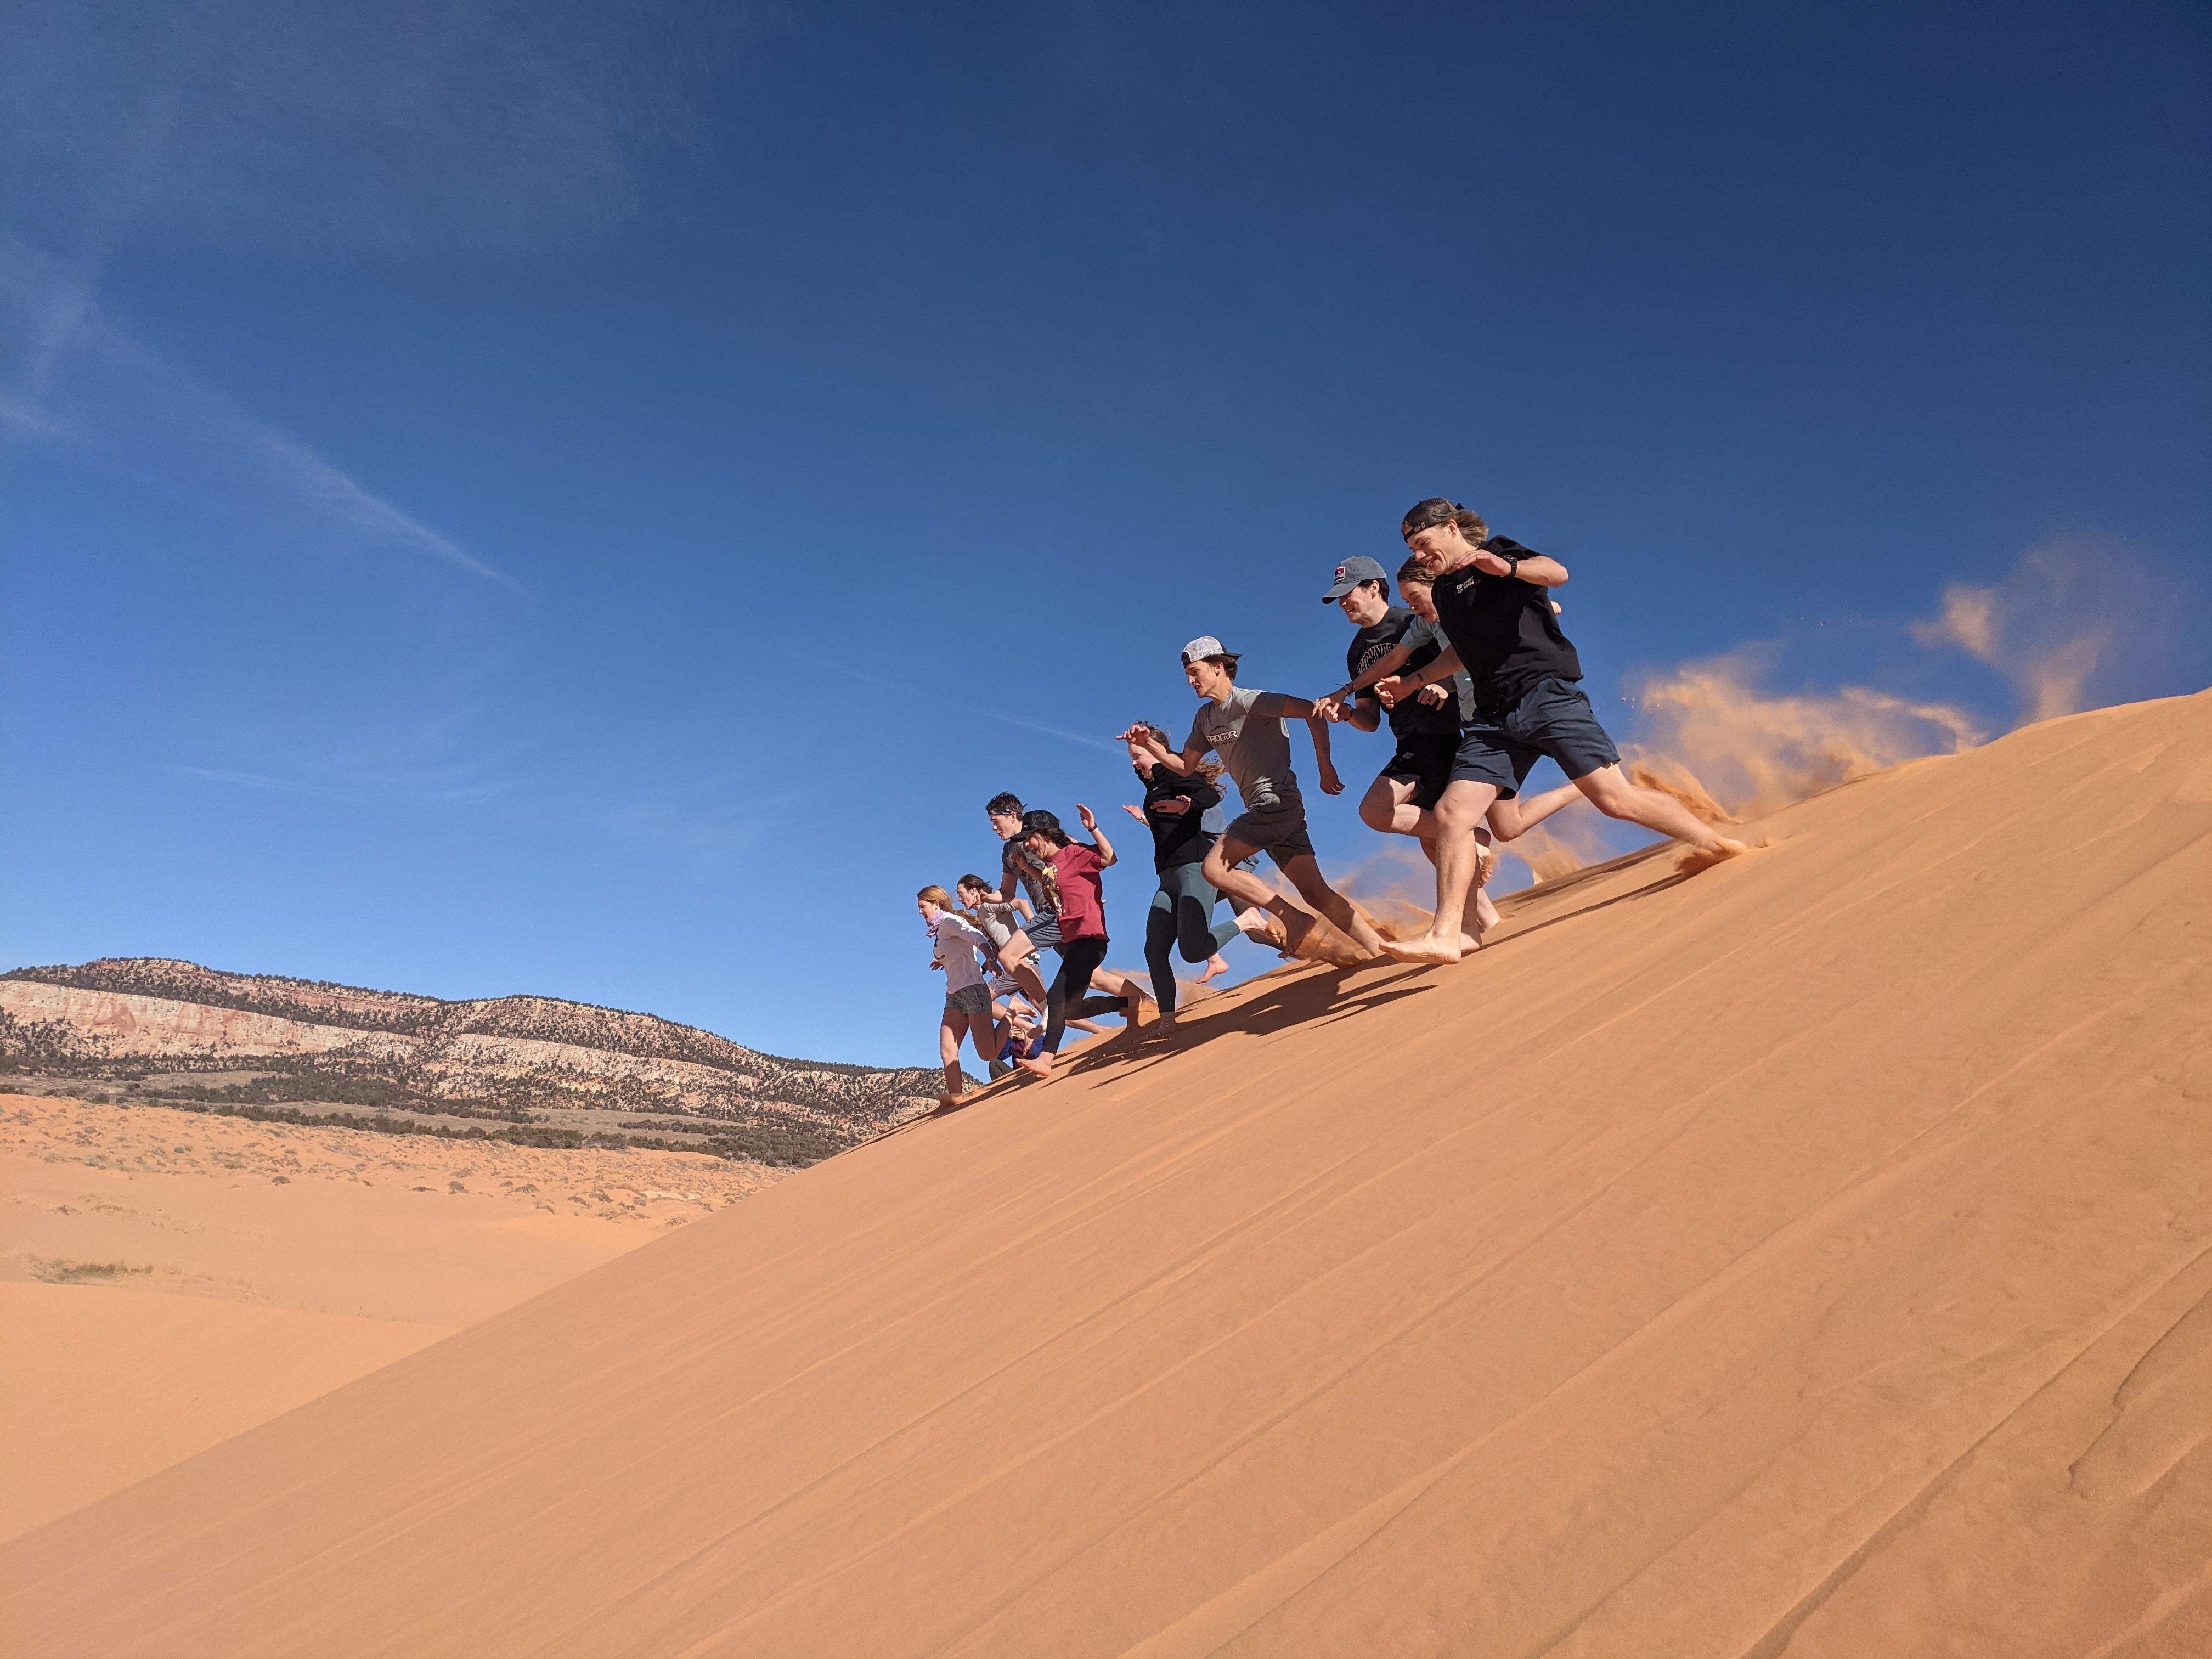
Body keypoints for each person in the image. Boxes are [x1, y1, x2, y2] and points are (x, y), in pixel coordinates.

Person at [1373, 499, 1746, 964]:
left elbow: (1556, 573)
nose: (1422, 555)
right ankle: (1451, 933)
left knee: (1615, 801)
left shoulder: (1499, 552)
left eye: (1424, 544)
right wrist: (1413, 681)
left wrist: (1507, 567)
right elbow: (1464, 651)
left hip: (1544, 694)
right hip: (1493, 716)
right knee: (1452, 815)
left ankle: (1718, 844)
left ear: (1451, 528)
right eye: (1413, 548)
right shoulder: (1445, 592)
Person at [1313, 556, 1583, 940]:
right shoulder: (1357, 651)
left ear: (1374, 587)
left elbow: (1468, 655)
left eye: (1348, 594)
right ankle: (1486, 922)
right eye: (1337, 599)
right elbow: (1369, 717)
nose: (1343, 604)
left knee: (1380, 812)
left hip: (1442, 734)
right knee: (1441, 842)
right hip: (1406, 738)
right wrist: (1346, 714)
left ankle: (1472, 841)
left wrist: (1444, 686)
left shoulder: (1415, 618)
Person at [1123, 637, 1386, 964]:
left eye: (1195, 672)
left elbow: (1312, 712)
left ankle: (1294, 917)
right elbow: (1185, 765)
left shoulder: (1251, 701)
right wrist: (1151, 746)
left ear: (1218, 667)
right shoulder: (1205, 718)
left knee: (1215, 869)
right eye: (1187, 675)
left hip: (1275, 800)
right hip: (1268, 810)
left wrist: (1324, 765)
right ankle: (1382, 951)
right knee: (1316, 892)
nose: (1190, 681)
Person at [1119, 724, 1271, 1034]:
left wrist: (1186, 804)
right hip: (1167, 878)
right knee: (1155, 950)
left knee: (1191, 950)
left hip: (1193, 868)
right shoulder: (1154, 785)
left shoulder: (1174, 775)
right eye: (1131, 758)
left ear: (1155, 752)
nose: (1134, 763)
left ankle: (1248, 921)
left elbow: (1209, 794)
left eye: (1137, 756)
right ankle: (1167, 1020)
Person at [1013, 806, 1148, 1079]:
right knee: (1071, 1008)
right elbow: (1055, 882)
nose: (1027, 844)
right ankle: (1130, 1003)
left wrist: (1092, 828)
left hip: (1090, 938)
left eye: (1030, 837)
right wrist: (1027, 868)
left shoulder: (1074, 854)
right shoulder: (1051, 866)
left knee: (1055, 997)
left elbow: (1109, 858)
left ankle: (1046, 1060)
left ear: (1045, 833)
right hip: (1073, 940)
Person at [915, 885, 1000, 1105]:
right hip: (953, 994)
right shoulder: (939, 931)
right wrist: (941, 960)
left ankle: (1012, 1014)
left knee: (988, 1053)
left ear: (936, 904)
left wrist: (990, 958)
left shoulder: (950, 922)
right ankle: (956, 1100)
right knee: (947, 1049)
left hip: (973, 990)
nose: (920, 912)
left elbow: (976, 936)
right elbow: (956, 950)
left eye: (923, 906)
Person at [980, 792, 1057, 1009]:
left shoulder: (1037, 832)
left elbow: (1072, 852)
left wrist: (1085, 894)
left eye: (996, 822)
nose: (994, 828)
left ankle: (1048, 1012)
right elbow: (1007, 892)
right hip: (1047, 912)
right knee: (1093, 976)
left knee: (1009, 956)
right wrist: (987, 897)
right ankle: (1139, 1000)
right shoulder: (1008, 851)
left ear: (1012, 816)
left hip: (1062, 910)